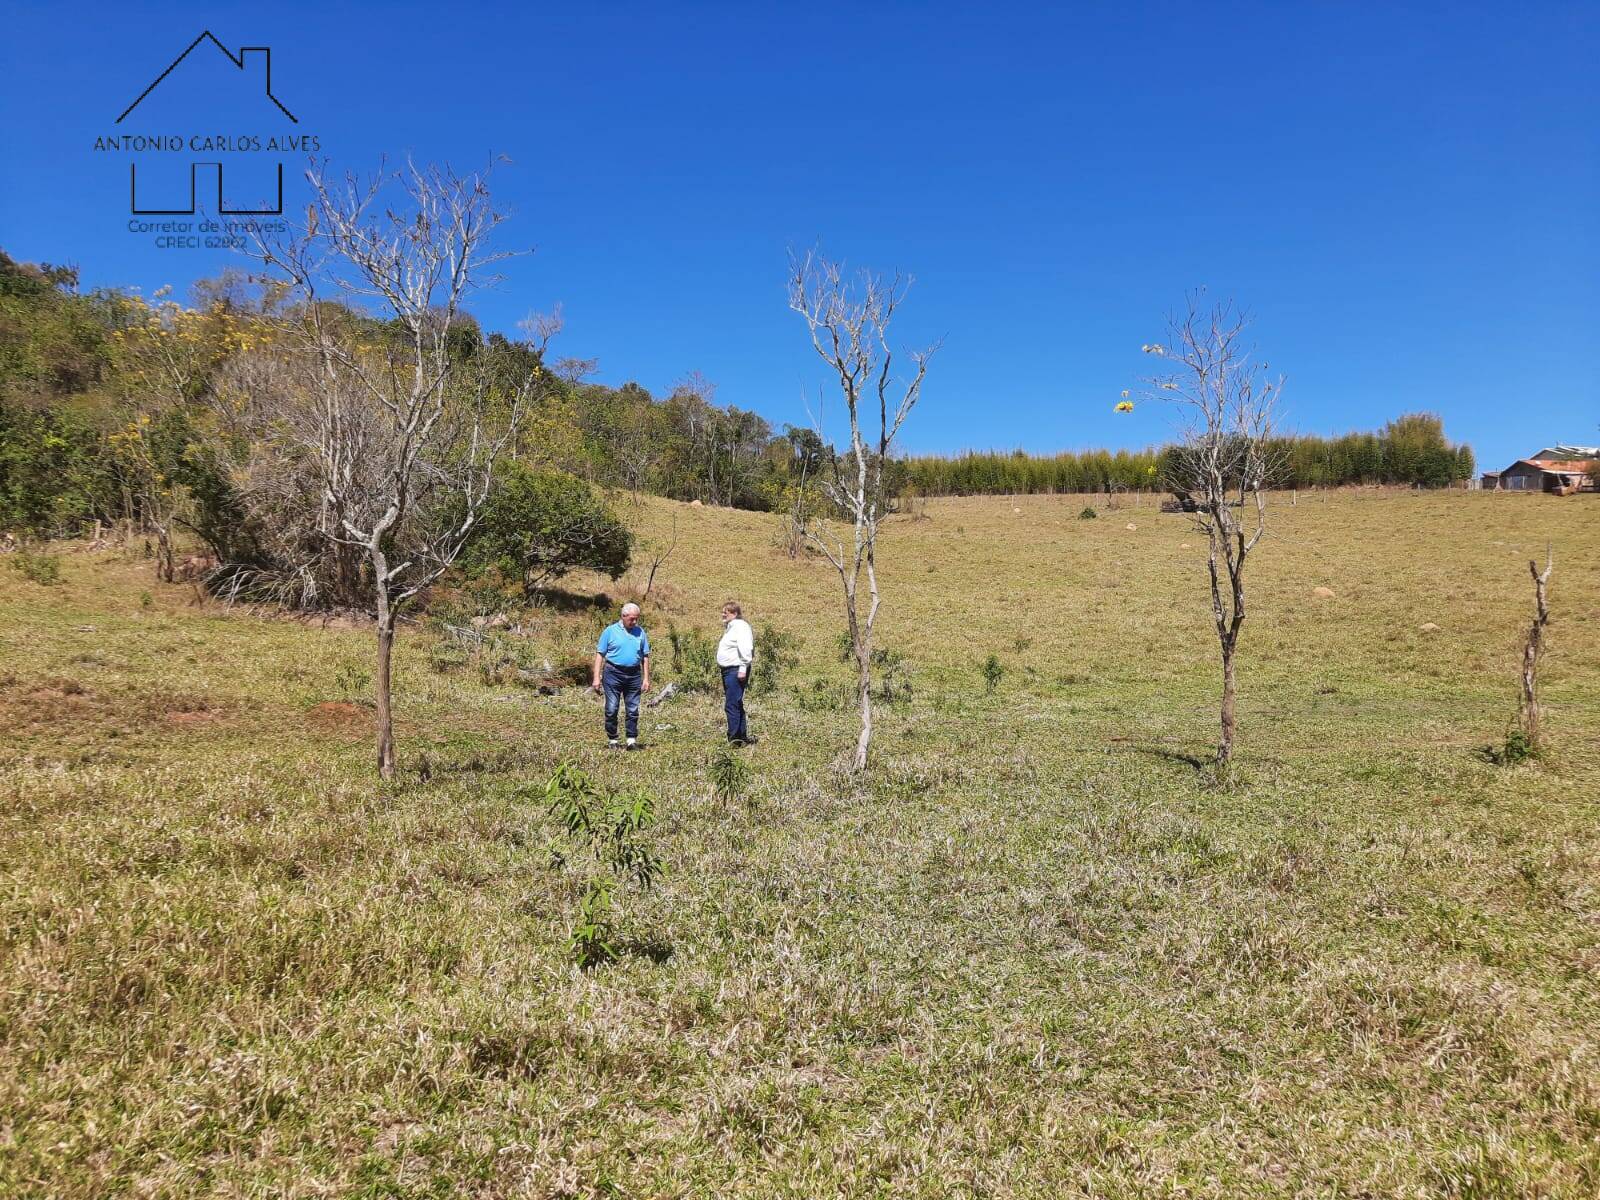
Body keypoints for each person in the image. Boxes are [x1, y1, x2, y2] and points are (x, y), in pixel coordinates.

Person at [592, 602, 650, 749]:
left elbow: (645, 656)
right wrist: (596, 677)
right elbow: (600, 655)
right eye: (632, 619)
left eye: (637, 618)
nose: (635, 622)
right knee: (612, 708)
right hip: (613, 673)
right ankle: (613, 740)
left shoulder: (640, 632)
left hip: (633, 674)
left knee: (632, 709)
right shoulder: (610, 631)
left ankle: (631, 740)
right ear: (623, 616)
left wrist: (646, 678)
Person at [716, 600, 756, 745]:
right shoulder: (732, 627)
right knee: (736, 703)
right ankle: (741, 736)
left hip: (736, 669)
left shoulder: (740, 626)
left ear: (735, 613)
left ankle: (734, 739)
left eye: (725, 612)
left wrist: (743, 667)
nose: (723, 615)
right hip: (730, 670)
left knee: (731, 704)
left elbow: (746, 647)